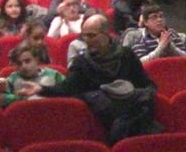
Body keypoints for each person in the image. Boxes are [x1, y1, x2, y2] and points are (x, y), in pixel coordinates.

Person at [20, 14, 155, 97]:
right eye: (84, 36)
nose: (87, 40)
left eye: (91, 36)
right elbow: (67, 88)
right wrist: (41, 89)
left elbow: (146, 85)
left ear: (106, 34)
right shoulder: (82, 63)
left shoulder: (126, 55)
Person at [0, 44, 65, 108]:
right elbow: (2, 98)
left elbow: (67, 91)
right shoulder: (13, 78)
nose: (24, 66)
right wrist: (20, 98)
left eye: (27, 61)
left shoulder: (53, 75)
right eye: (19, 63)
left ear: (36, 60)